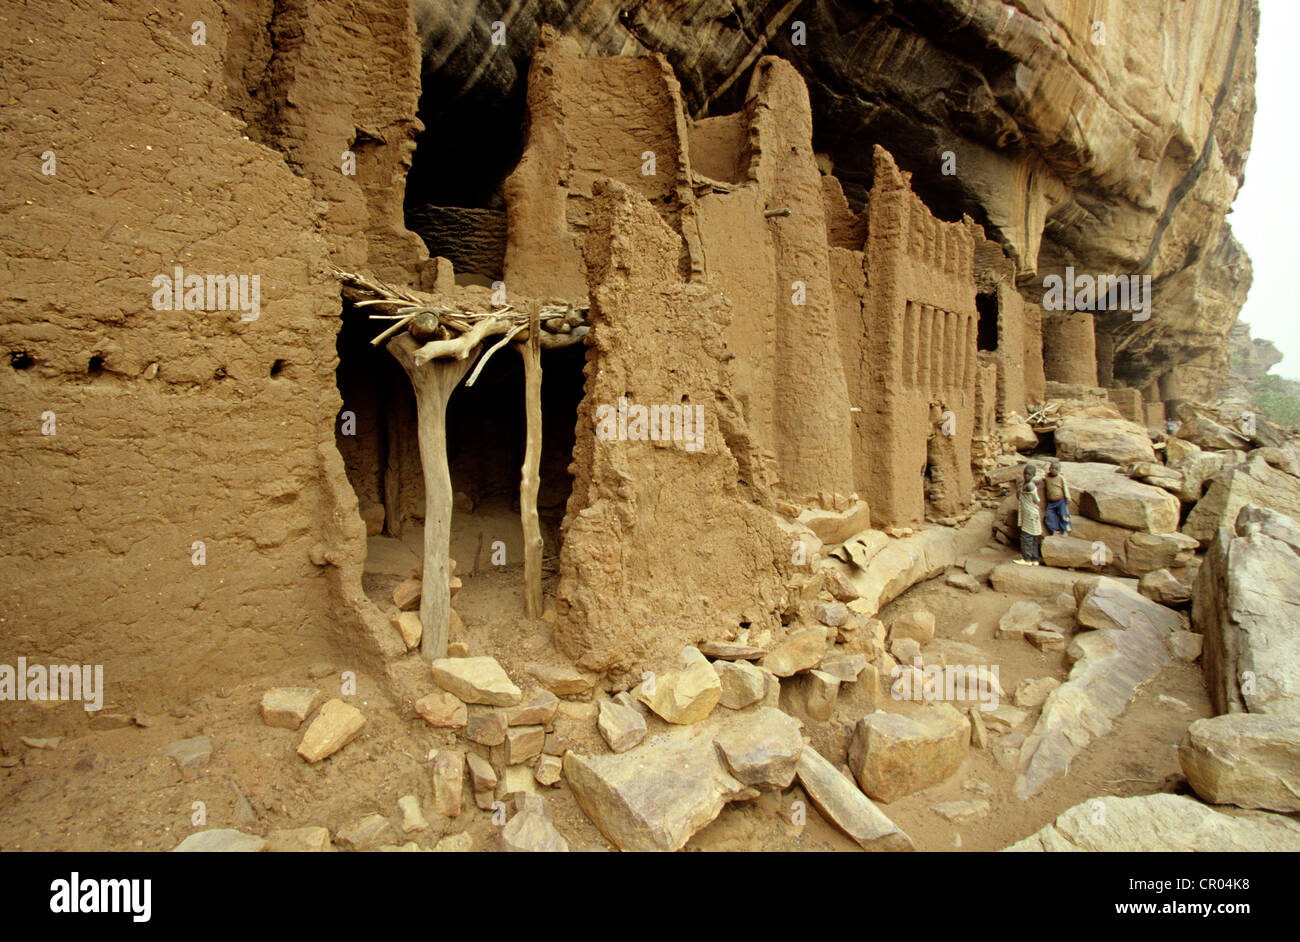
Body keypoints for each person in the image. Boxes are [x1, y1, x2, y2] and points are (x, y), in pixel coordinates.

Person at [1014, 463, 1043, 565]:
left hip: (1029, 514)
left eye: (1029, 474)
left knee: (1026, 536)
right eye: (1025, 474)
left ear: (1033, 475)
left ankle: (1027, 558)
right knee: (1034, 536)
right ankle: (1034, 559)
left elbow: (1037, 499)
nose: (1026, 476)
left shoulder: (1029, 486)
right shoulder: (1029, 485)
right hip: (1032, 513)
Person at [1043, 460, 1072, 535]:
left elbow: (1065, 487)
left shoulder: (1061, 478)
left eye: (1055, 469)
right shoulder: (1047, 477)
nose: (1053, 470)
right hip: (1051, 502)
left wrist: (1067, 497)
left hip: (1060, 500)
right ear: (1049, 468)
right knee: (1048, 516)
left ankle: (1065, 530)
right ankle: (1054, 530)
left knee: (1064, 515)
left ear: (1058, 470)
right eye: (1052, 468)